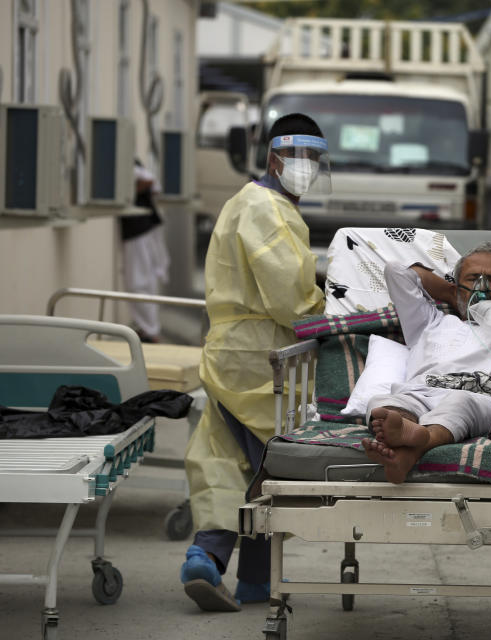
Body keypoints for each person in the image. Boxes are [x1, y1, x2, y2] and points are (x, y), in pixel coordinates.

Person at [180, 113, 330, 611]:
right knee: (272, 468)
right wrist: (328, 316)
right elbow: (290, 296)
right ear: (274, 157)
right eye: (299, 157)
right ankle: (255, 579)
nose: (305, 168)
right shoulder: (272, 210)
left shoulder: (241, 200)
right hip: (262, 357)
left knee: (226, 457)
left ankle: (206, 559)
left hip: (227, 351)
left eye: (313, 160)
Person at [360, 243, 491, 483]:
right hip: (421, 392)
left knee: (460, 401)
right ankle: (406, 446)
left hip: (482, 398)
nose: (482, 286)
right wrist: (451, 293)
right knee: (380, 404)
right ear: (456, 285)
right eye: (472, 278)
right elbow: (397, 271)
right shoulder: (429, 323)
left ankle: (419, 440)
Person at [121, 161, 170, 343]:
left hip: (139, 228)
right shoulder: (134, 164)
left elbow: (150, 183)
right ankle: (148, 328)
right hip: (141, 227)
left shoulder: (132, 163)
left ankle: (149, 329)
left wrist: (129, 189)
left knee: (139, 283)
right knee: (143, 282)